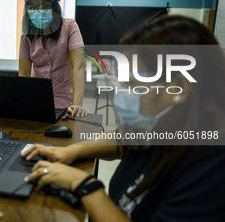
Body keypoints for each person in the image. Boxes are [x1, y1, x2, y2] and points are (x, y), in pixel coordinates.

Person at [22, 15, 225, 221]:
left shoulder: (213, 167)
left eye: (132, 82)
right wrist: (72, 151)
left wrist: (85, 186)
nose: (122, 91)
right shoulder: (170, 125)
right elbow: (125, 138)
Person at [19, 0, 87, 117]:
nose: (37, 12)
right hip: (36, 100)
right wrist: (23, 102)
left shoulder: (69, 27)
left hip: (65, 102)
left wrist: (77, 104)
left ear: (55, 9)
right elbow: (23, 74)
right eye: (32, 7)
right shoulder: (26, 36)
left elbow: (78, 68)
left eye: (44, 7)